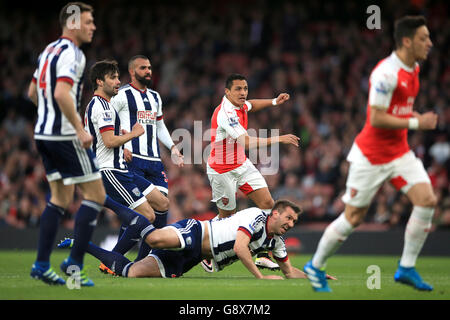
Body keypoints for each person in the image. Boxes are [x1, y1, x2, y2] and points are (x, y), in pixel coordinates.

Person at [303, 15, 437, 292]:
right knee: (353, 218)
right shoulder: (385, 73)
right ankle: (315, 265)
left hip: (399, 152)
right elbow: (376, 118)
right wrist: (416, 122)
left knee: (426, 199)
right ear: (407, 41)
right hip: (371, 156)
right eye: (424, 38)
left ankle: (406, 268)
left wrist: (413, 116)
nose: (430, 43)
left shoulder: (413, 69)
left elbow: (395, 111)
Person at [27, 2, 157, 287]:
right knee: (96, 197)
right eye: (88, 22)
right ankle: (76, 261)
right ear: (72, 23)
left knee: (60, 200)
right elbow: (62, 92)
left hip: (43, 134)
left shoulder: (48, 51)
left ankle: (42, 264)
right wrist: (77, 128)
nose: (93, 27)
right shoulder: (74, 54)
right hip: (64, 137)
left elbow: (33, 93)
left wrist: (49, 118)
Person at [58, 200, 337, 280]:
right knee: (154, 238)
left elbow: (289, 272)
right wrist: (260, 277)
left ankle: (80, 245)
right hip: (196, 232)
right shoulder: (256, 217)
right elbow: (240, 247)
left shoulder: (276, 242)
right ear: (274, 213)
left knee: (132, 273)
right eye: (287, 218)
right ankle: (104, 199)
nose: (290, 225)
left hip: (193, 259)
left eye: (294, 223)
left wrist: (317, 277)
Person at [204, 73, 300, 271]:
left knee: (268, 204)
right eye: (238, 89)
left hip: (241, 164)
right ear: (227, 92)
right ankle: (204, 251)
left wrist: (274, 101)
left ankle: (263, 254)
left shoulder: (241, 105)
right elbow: (246, 142)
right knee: (226, 218)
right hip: (221, 170)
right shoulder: (226, 113)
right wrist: (279, 139)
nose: (243, 93)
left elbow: (252, 105)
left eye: (245, 88)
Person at [84, 60, 170, 272]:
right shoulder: (102, 106)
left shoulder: (103, 106)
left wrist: (122, 145)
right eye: (112, 78)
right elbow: (108, 141)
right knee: (147, 216)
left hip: (120, 168)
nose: (117, 81)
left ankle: (125, 260)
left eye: (117, 77)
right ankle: (114, 260)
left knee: (160, 205)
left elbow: (104, 139)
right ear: (99, 81)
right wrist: (133, 134)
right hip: (110, 171)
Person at [110, 55, 183, 257]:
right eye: (143, 68)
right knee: (140, 212)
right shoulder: (122, 95)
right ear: (132, 72)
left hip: (154, 162)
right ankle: (115, 257)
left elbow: (159, 126)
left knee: (159, 211)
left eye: (150, 67)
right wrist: (120, 146)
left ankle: (142, 260)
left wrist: (173, 147)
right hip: (132, 159)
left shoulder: (155, 97)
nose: (148, 71)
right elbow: (109, 122)